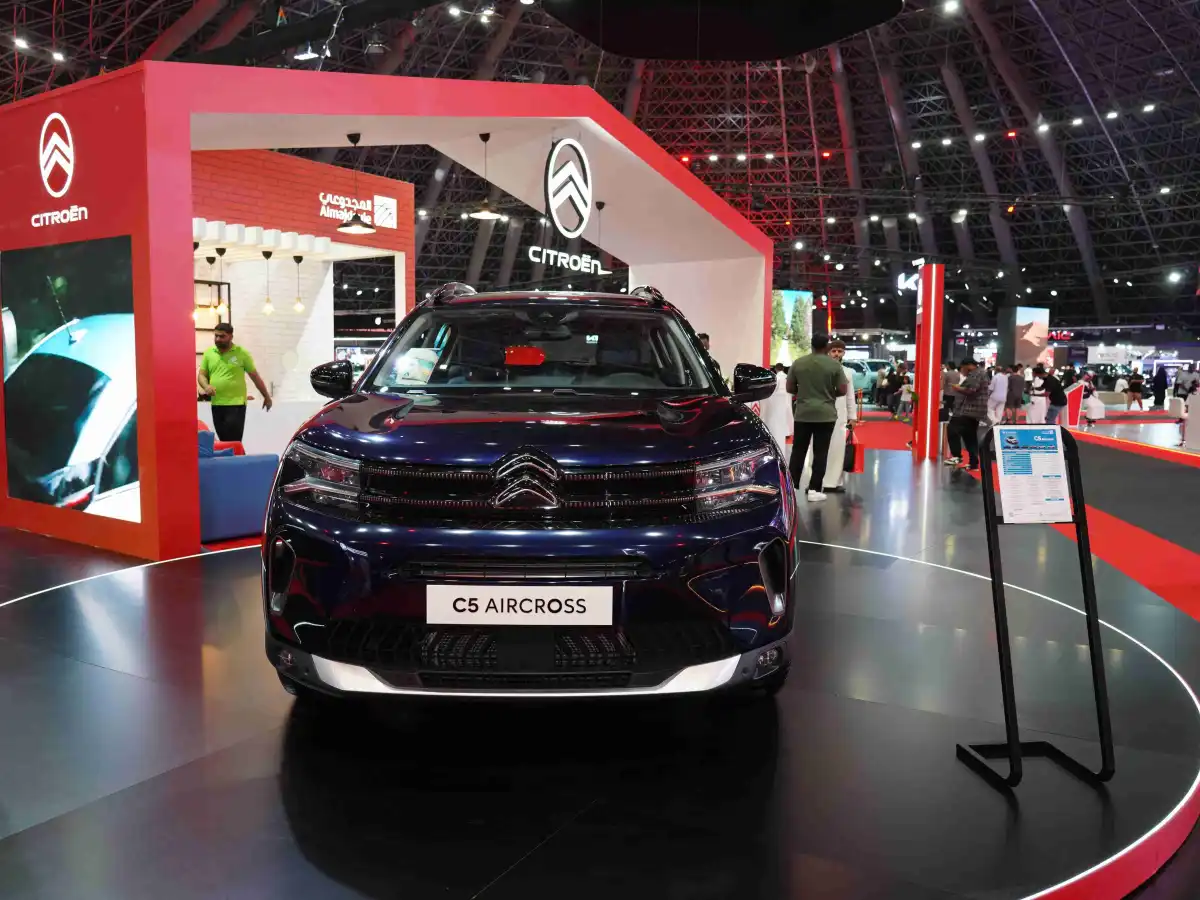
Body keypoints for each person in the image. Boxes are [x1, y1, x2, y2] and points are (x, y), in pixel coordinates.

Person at [786, 333, 849, 502]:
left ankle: (791, 488)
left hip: (803, 413)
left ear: (812, 345)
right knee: (821, 452)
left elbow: (789, 388)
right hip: (826, 414)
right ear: (827, 347)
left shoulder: (798, 363)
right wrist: (829, 394)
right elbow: (843, 390)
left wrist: (803, 393)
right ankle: (814, 490)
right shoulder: (834, 365)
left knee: (798, 451)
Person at [198, 323, 272, 442]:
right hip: (216, 403)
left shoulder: (242, 353)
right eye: (216, 336)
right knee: (223, 441)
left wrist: (266, 396)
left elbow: (255, 376)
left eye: (222, 336)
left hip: (236, 404)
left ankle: (239, 454)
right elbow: (201, 375)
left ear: (231, 337)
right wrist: (206, 386)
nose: (218, 339)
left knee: (233, 441)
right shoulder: (209, 353)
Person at [800, 340, 856, 493]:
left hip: (839, 417)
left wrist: (852, 416)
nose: (836, 354)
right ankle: (815, 483)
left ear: (843, 353)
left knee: (837, 450)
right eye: (834, 351)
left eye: (839, 351)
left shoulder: (848, 372)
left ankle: (833, 483)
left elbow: (850, 396)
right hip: (818, 416)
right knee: (817, 450)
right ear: (828, 352)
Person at [945, 358, 988, 470]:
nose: (962, 370)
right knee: (970, 436)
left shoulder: (976, 374)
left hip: (968, 410)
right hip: (976, 410)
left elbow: (970, 390)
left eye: (963, 368)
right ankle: (973, 463)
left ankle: (956, 456)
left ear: (968, 365)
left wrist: (957, 388)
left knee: (952, 429)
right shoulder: (980, 373)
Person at [762, 363, 794, 461]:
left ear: (776, 369)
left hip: (778, 401)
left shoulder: (776, 378)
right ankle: (788, 430)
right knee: (788, 414)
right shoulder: (787, 377)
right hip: (786, 398)